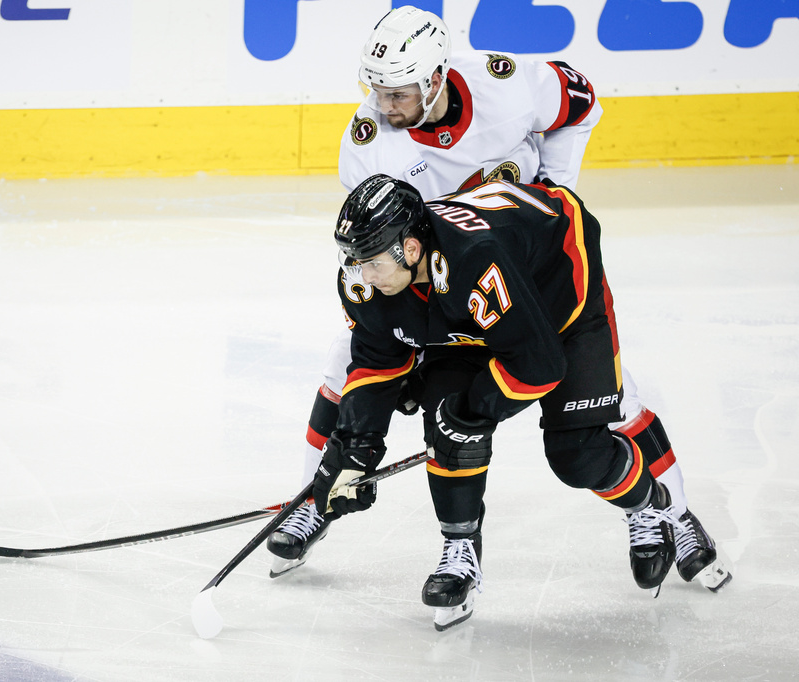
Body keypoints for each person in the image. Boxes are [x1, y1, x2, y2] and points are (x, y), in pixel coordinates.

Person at [267, 5, 729, 594]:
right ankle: (317, 498)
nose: (382, 106)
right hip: (441, 282)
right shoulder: (369, 144)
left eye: (397, 93)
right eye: (375, 91)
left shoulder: (505, 85)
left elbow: (583, 105)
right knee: (351, 361)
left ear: (435, 77)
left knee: (609, 398)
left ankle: (674, 513)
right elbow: (378, 250)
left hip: (529, 270)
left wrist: (552, 190)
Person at [314, 173, 689, 630]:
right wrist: (355, 444)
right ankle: (460, 548)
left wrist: (470, 413)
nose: (363, 275)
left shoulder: (474, 258)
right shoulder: (368, 280)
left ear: (410, 249)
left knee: (577, 456)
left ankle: (649, 502)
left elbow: (539, 364)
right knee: (443, 411)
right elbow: (377, 359)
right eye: (355, 261)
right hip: (477, 308)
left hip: (557, 289)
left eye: (371, 262)